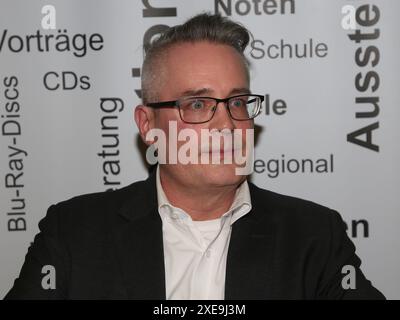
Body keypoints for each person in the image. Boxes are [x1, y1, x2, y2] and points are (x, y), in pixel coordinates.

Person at [5, 13, 384, 300]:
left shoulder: (313, 236)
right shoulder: (74, 233)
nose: (227, 125)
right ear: (148, 123)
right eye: (199, 104)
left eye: (237, 101)